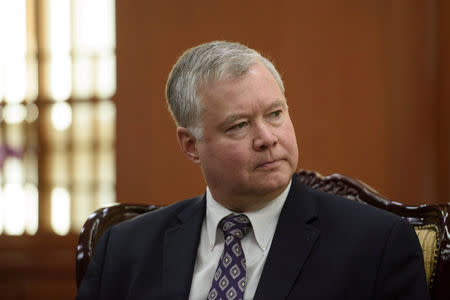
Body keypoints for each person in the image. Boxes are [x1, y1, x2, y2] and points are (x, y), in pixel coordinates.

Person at [76, 41, 429, 300]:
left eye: (275, 114)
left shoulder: (376, 244)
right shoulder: (124, 250)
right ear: (190, 145)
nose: (267, 139)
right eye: (239, 125)